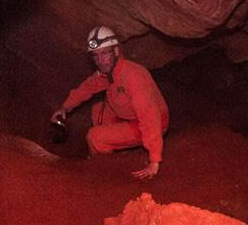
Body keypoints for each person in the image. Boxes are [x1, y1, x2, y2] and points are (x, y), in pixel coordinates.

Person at [50, 26, 170, 180]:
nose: (101, 60)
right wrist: (65, 108)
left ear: (116, 51)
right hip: (130, 114)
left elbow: (149, 117)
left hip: (153, 121)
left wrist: (154, 160)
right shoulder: (109, 72)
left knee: (94, 137)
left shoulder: (133, 76)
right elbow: (87, 88)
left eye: (105, 53)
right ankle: (119, 148)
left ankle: (104, 168)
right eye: (96, 56)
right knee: (98, 110)